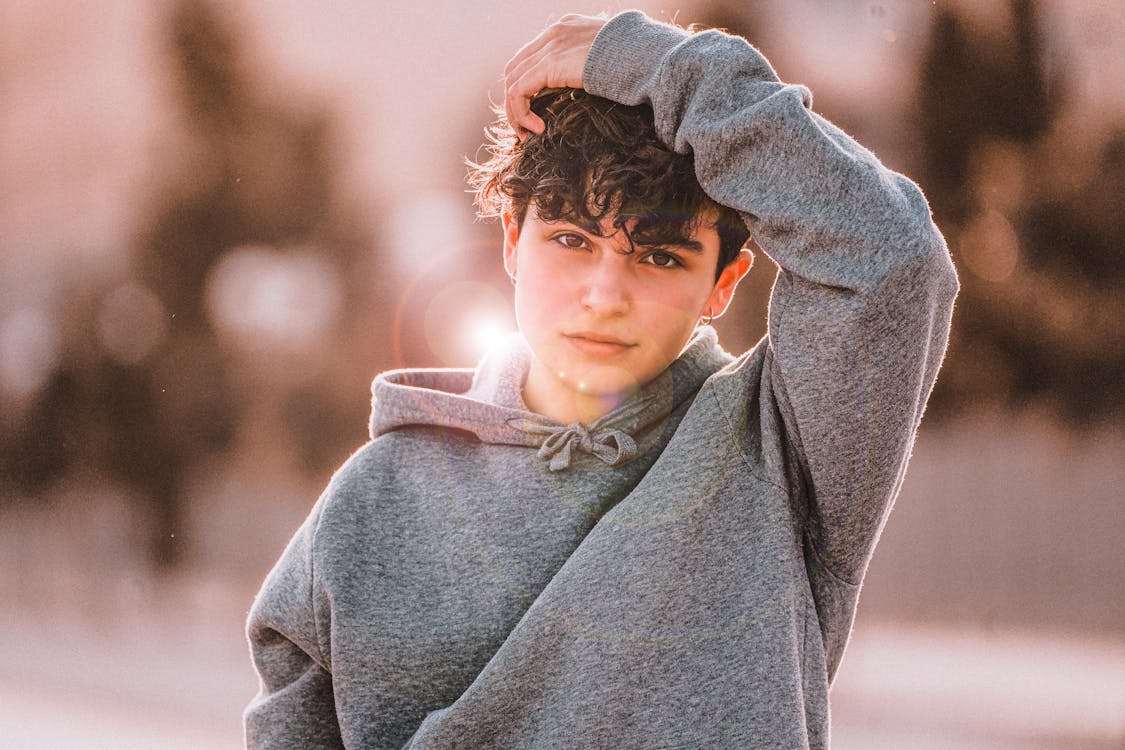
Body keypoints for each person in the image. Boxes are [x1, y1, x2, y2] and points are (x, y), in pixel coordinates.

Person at [244, 10, 957, 749]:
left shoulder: (784, 455)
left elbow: (892, 258)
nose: (604, 296)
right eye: (571, 240)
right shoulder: (374, 499)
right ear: (513, 242)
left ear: (723, 282)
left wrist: (656, 65)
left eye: (659, 257)